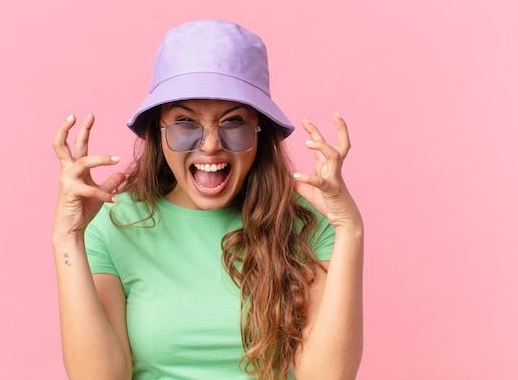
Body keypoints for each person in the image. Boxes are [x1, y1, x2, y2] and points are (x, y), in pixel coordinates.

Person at [51, 20, 363, 380]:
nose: (211, 144)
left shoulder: (306, 223)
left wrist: (350, 230)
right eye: (185, 122)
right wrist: (67, 237)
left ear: (260, 133)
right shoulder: (112, 225)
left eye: (233, 122)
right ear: (159, 130)